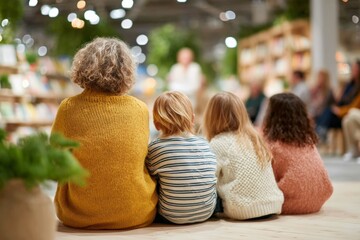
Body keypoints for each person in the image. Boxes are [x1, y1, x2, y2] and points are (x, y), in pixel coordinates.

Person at [51, 38, 157, 229]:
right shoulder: (140, 109)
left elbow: (55, 160)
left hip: (78, 213)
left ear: (83, 66)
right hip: (136, 212)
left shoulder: (68, 109)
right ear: (127, 71)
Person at [202, 92, 284, 220]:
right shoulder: (255, 138)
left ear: (211, 117)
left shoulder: (218, 143)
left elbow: (208, 180)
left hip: (242, 208)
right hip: (273, 203)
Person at [146, 91, 217, 224]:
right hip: (207, 212)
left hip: (170, 215)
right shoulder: (205, 144)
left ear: (156, 124)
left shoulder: (155, 148)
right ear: (193, 119)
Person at [262, 93, 333, 214]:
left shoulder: (273, 145)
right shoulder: (307, 140)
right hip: (319, 199)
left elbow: (265, 179)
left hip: (291, 202)